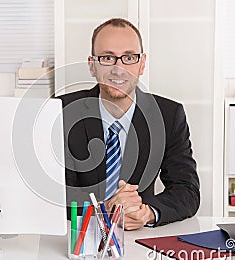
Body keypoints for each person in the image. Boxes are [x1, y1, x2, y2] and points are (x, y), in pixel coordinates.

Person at [60, 18, 200, 230]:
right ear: (92, 65)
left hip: (138, 240)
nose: (119, 69)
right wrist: (104, 209)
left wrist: (147, 212)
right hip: (78, 238)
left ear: (142, 63)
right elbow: (56, 192)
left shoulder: (168, 116)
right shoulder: (62, 112)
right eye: (107, 58)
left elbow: (187, 190)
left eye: (129, 57)